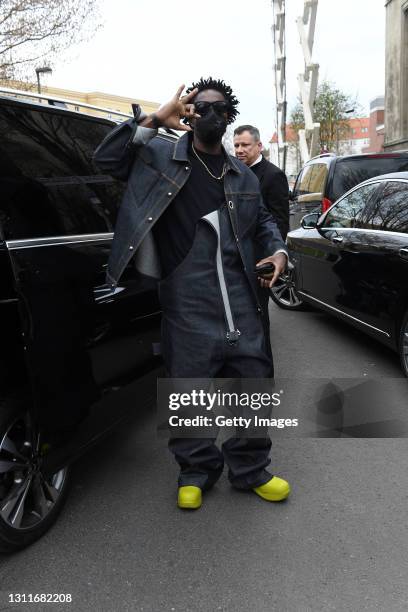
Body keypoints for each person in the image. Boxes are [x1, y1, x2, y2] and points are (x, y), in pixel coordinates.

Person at [94, 78, 290, 510]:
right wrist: (156, 117)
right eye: (202, 107)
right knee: (189, 385)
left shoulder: (242, 174)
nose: (211, 115)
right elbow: (106, 158)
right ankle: (195, 471)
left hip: (240, 291)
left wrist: (277, 252)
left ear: (230, 116)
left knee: (254, 382)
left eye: (220, 109)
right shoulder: (161, 153)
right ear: (189, 112)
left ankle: (251, 469)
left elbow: (263, 225)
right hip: (185, 290)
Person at [233, 125, 290, 358]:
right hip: (234, 262)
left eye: (245, 145)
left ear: (259, 146)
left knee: (258, 321)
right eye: (236, 145)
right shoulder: (234, 173)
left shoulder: (273, 175)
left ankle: (262, 379)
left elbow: (279, 223)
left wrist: (270, 263)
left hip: (259, 263)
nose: (239, 150)